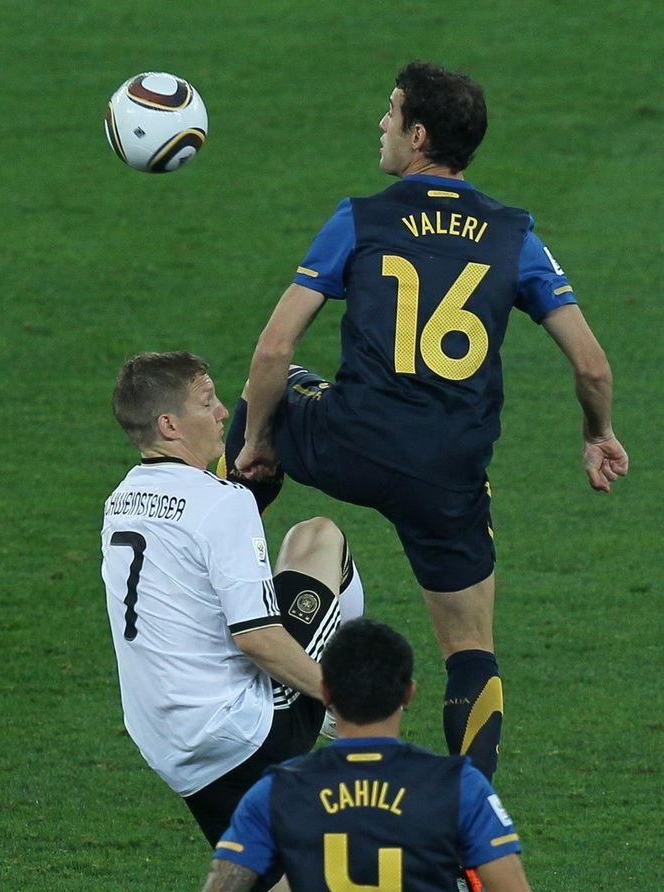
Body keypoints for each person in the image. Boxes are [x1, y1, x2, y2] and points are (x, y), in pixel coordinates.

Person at [230, 61, 629, 784]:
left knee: (273, 390)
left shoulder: (363, 216)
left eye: (390, 112)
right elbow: (593, 366)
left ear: (417, 135)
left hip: (352, 437)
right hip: (449, 472)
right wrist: (596, 432)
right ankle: (472, 838)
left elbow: (273, 347)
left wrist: (258, 443)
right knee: (471, 649)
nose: (380, 124)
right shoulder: (516, 235)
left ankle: (224, 583)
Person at [101, 351, 363, 892]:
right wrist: (342, 697)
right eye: (206, 402)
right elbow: (257, 638)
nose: (222, 412)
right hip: (243, 730)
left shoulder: (120, 501)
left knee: (273, 882)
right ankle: (337, 722)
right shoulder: (221, 504)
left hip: (169, 741)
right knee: (320, 537)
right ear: (169, 424)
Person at [198, 618, 536, 892]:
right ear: (409, 694)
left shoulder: (276, 792)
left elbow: (221, 890)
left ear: (326, 692)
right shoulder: (460, 786)